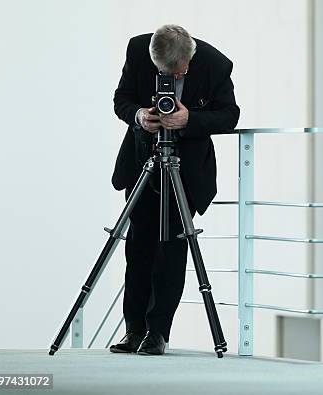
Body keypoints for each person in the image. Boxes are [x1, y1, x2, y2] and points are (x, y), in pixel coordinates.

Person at [109, 24, 239, 355]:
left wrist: (189, 119)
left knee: (172, 250)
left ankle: (158, 333)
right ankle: (133, 330)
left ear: (190, 56)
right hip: (143, 161)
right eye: (169, 72)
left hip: (187, 169)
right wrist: (139, 115)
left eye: (181, 69)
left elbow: (229, 116)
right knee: (138, 247)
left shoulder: (214, 63)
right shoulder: (138, 50)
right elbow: (121, 100)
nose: (179, 74)